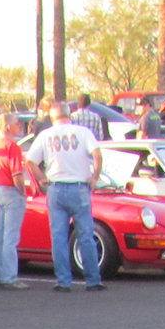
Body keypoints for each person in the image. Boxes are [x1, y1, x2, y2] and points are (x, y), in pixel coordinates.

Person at [25, 100, 104, 291]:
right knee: (85, 234)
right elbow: (98, 154)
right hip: (79, 187)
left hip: (56, 188)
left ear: (52, 118)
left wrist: (42, 178)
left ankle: (63, 281)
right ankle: (93, 280)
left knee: (58, 236)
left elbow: (30, 160)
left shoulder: (46, 135)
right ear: (70, 115)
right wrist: (94, 176)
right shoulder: (83, 132)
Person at [0, 112, 29, 289]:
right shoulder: (12, 147)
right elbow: (17, 174)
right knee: (11, 237)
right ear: (8, 126)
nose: (19, 126)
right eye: (17, 123)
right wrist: (23, 192)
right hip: (11, 191)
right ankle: (10, 277)